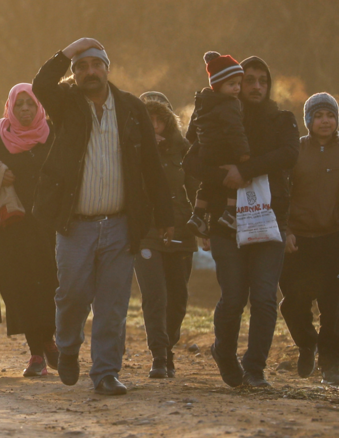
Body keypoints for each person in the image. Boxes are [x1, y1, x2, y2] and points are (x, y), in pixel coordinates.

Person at [31, 38, 173, 395]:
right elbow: (41, 85)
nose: (89, 72)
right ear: (74, 75)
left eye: (96, 65)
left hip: (121, 223)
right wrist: (69, 50)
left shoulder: (130, 108)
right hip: (74, 224)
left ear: (108, 69)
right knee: (73, 296)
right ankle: (66, 346)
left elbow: (152, 167)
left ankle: (106, 372)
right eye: (81, 67)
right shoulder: (65, 105)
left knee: (112, 305)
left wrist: (164, 213)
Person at [185, 56, 299, 388]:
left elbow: (290, 154)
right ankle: (224, 352)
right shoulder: (213, 114)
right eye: (249, 80)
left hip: (270, 220)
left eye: (263, 80)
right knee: (234, 296)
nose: (257, 87)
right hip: (225, 222)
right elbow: (190, 161)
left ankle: (255, 368)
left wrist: (245, 170)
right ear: (235, 82)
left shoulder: (282, 120)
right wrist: (223, 176)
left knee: (263, 297)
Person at [281, 92, 339, 386]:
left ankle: (331, 366)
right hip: (297, 242)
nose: (325, 121)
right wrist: (286, 231)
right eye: (318, 115)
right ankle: (308, 344)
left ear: (337, 120)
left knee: (330, 309)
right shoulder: (294, 151)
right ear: (308, 120)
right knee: (292, 304)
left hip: (333, 240)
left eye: (330, 115)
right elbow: (279, 195)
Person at [0, 83, 59, 378]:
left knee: (49, 284)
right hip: (8, 229)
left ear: (40, 108)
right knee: (16, 288)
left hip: (47, 225)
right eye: (19, 104)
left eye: (30, 104)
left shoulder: (52, 136)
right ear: (9, 106)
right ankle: (36, 351)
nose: (24, 110)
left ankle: (47, 340)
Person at [134, 91, 198, 379]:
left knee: (178, 296)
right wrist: (142, 150)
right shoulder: (129, 150)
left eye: (159, 119)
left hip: (181, 230)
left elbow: (198, 189)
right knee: (154, 294)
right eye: (148, 119)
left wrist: (203, 223)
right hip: (146, 232)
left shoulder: (185, 150)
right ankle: (159, 354)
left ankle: (169, 345)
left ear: (169, 121)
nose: (154, 124)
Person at [186, 52, 249, 236]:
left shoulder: (203, 101)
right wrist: (243, 153)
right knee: (233, 178)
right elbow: (236, 130)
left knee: (207, 184)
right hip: (224, 150)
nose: (237, 88)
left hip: (206, 151)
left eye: (239, 83)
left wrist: (197, 140)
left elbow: (192, 130)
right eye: (231, 84)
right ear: (218, 85)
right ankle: (231, 213)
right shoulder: (230, 104)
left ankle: (197, 215)